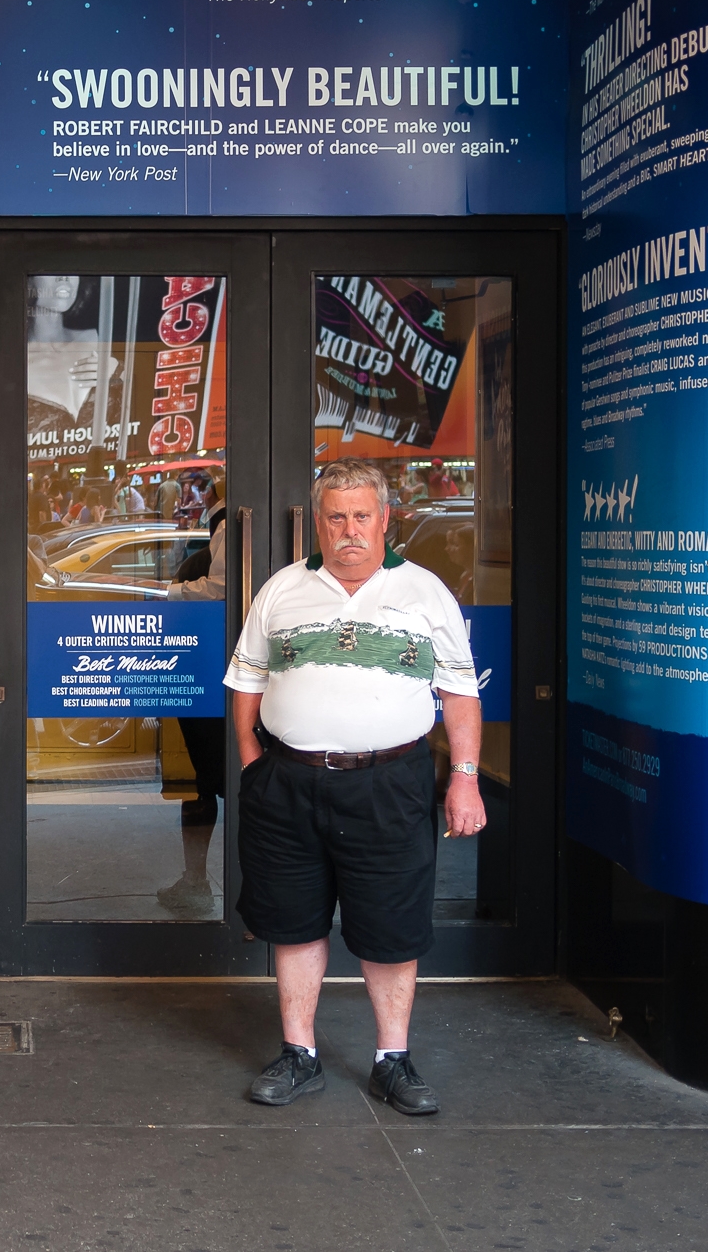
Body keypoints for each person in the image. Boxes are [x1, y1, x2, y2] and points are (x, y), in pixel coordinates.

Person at [225, 458, 484, 1115]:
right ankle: (299, 1054)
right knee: (293, 921)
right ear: (317, 522)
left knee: (392, 924)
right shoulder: (282, 589)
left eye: (361, 515)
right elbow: (247, 681)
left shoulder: (426, 593)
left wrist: (465, 778)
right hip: (289, 783)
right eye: (335, 516)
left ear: (386, 518)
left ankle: (391, 1058)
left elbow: (459, 692)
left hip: (390, 783)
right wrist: (255, 761)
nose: (348, 530)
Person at [159, 496, 228, 916]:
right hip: (227, 681)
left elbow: (216, 592)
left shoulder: (198, 572)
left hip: (200, 681)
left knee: (200, 785)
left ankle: (196, 880)